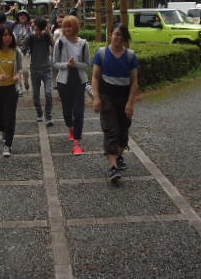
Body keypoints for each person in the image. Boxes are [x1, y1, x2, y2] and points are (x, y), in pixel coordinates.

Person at [91, 23, 139, 184]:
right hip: (107, 97)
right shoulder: (102, 54)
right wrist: (96, 98)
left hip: (124, 98)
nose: (118, 38)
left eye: (122, 35)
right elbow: (95, 77)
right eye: (116, 34)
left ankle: (118, 157)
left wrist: (130, 103)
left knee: (123, 133)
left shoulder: (131, 56)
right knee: (111, 130)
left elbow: (134, 81)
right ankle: (113, 167)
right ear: (110, 34)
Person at [53, 15, 90, 155]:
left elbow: (87, 64)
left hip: (79, 81)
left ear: (76, 27)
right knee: (67, 111)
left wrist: (76, 64)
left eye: (70, 26)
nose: (67, 29)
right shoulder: (59, 43)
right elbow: (55, 63)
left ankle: (77, 142)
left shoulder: (84, 44)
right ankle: (70, 127)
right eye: (65, 26)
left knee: (79, 112)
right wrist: (67, 65)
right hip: (64, 81)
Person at [0, 25, 22, 157]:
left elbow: (20, 68)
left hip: (12, 88)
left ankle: (8, 144)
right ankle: (3, 130)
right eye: (4, 35)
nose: (7, 38)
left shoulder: (16, 52)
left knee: (10, 117)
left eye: (9, 35)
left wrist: (17, 75)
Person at [22, 17, 54, 125]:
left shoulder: (46, 36)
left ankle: (49, 116)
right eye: (36, 28)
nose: (37, 30)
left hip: (47, 69)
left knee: (48, 93)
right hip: (35, 69)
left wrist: (49, 32)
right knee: (35, 94)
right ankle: (40, 114)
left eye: (39, 28)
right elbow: (23, 49)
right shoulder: (30, 37)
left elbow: (55, 45)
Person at [13, 10, 33, 92]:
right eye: (20, 15)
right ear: (18, 17)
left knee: (25, 70)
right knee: (16, 70)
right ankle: (19, 88)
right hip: (15, 50)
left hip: (26, 51)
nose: (22, 16)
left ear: (27, 17)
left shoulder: (30, 26)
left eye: (24, 15)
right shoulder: (14, 26)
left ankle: (26, 80)